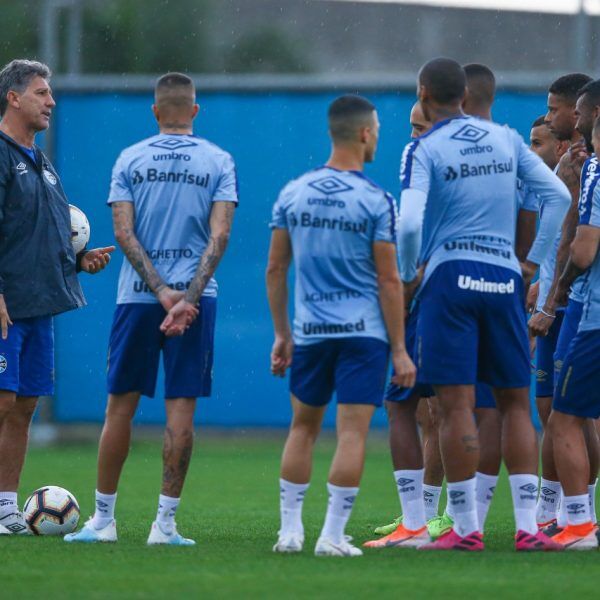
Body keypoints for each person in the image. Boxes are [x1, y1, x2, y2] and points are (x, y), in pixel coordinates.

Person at [398, 57, 570, 551]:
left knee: (455, 408)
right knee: (516, 402)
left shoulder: (424, 147)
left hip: (450, 275)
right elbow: (556, 196)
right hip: (503, 276)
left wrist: (412, 274)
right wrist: (532, 263)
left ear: (425, 92)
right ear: (468, 96)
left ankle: (468, 529)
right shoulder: (508, 139)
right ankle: (528, 529)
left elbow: (409, 224)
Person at [65, 72, 238, 546]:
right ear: (195, 111)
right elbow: (220, 235)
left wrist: (160, 292)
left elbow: (123, 233)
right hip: (198, 301)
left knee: (118, 410)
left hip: (137, 298)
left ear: (156, 111)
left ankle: (103, 521)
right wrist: (186, 297)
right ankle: (164, 525)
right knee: (180, 412)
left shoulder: (131, 158)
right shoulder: (218, 160)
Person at [267, 94, 416, 557]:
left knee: (302, 429)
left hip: (311, 333)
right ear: (366, 134)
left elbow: (275, 269)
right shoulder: (376, 200)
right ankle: (332, 536)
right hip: (364, 335)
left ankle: (289, 533)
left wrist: (282, 334)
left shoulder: (294, 192)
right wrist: (399, 348)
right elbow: (389, 279)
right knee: (351, 433)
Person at [0, 59, 113, 535]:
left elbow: (42, 235)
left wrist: (78, 262)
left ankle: (5, 508)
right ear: (14, 97)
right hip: (6, 306)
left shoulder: (41, 162)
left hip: (39, 305)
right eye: (42, 93)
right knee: (2, 403)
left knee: (24, 406)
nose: (51, 102)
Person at [529, 74, 600, 533]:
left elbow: (577, 244)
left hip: (576, 306)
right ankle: (554, 513)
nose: (560, 116)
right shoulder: (576, 163)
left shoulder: (583, 168)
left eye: (561, 109)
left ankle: (570, 517)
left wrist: (551, 299)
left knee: (562, 414)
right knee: (562, 413)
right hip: (566, 299)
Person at [548, 114, 600, 549]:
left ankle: (579, 525)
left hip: (593, 316)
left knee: (564, 417)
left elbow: (582, 249)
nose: (575, 121)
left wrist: (558, 292)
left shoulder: (596, 169)